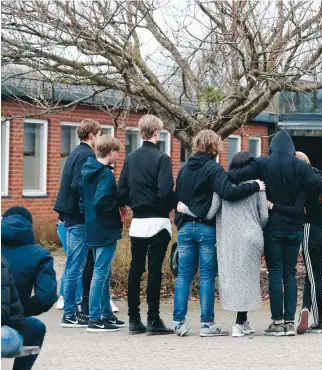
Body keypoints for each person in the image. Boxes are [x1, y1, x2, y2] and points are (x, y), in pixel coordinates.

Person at [227, 130, 322, 337]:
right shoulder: (300, 166)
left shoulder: (263, 163)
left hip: (273, 228)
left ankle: (277, 322)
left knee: (275, 273)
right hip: (295, 229)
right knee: (290, 273)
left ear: (272, 147)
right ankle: (290, 322)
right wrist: (306, 176)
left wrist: (255, 182)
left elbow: (234, 174)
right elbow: (321, 186)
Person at [173, 130, 264, 337]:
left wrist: (180, 220)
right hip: (206, 228)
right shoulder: (214, 169)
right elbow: (228, 193)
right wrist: (254, 185)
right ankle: (206, 325)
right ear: (214, 146)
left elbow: (176, 197)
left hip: (185, 227)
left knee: (184, 277)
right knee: (206, 277)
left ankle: (178, 323)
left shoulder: (184, 168)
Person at [117, 114, 175, 335]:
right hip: (158, 221)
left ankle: (133, 319)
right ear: (157, 132)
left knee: (135, 268)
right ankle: (153, 318)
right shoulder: (162, 159)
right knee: (155, 271)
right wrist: (173, 202)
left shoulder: (131, 158)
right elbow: (164, 191)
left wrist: (132, 204)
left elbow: (121, 190)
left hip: (138, 222)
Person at [1, 207, 55, 370]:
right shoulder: (40, 255)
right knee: (36, 327)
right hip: (7, 332)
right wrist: (18, 311)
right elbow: (46, 297)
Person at [54, 119, 100, 328]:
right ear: (92, 136)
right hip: (77, 216)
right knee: (76, 265)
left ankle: (71, 311)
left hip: (68, 215)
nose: (99, 139)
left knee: (73, 264)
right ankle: (71, 313)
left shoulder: (76, 152)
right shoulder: (87, 155)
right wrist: (86, 211)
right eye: (99, 134)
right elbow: (78, 184)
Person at [81, 135, 126, 332]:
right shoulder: (106, 174)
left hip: (91, 227)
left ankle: (107, 314)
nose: (118, 155)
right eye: (117, 151)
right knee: (100, 273)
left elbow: (84, 200)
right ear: (110, 152)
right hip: (105, 228)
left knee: (105, 273)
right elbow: (101, 200)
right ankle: (94, 318)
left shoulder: (88, 171)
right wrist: (118, 207)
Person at [294, 151, 322, 334]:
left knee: (315, 277)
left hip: (313, 233)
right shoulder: (321, 177)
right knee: (313, 275)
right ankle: (305, 308)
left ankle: (317, 322)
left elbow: (297, 208)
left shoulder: (304, 185)